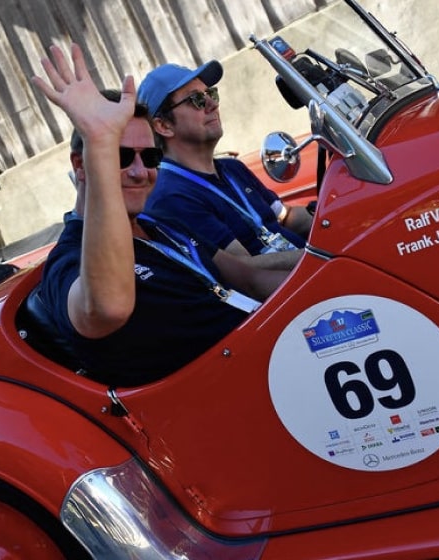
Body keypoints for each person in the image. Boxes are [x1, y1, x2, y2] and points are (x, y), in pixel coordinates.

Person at [31, 43, 288, 387]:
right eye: (120, 157)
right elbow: (105, 309)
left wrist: (334, 275)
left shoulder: (159, 226)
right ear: (82, 165)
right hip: (221, 396)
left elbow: (249, 277)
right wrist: (100, 141)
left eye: (150, 158)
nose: (140, 172)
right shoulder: (70, 259)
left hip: (272, 355)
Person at [137, 60, 314, 270]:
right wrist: (319, 254)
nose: (212, 104)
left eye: (210, 94)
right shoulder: (171, 196)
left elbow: (286, 218)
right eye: (196, 100)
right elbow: (244, 268)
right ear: (163, 125)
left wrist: (335, 218)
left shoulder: (232, 167)